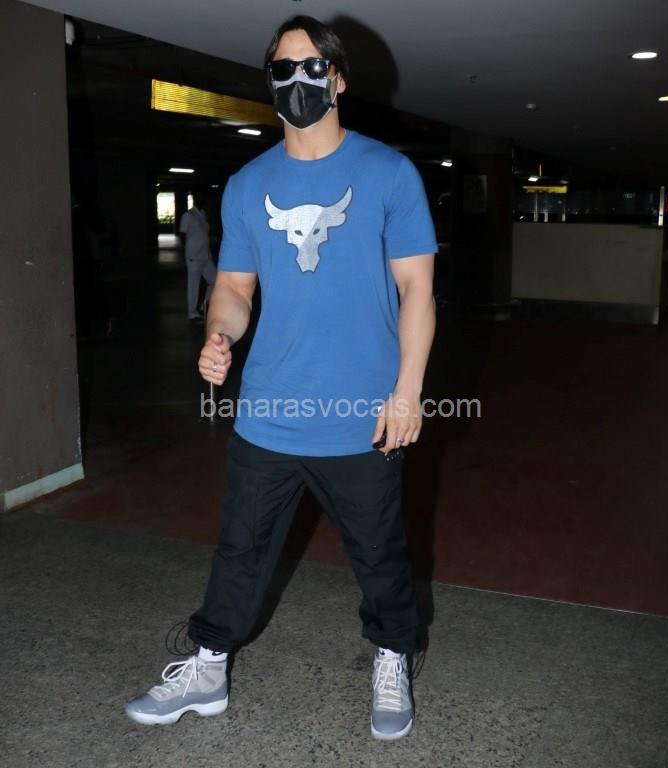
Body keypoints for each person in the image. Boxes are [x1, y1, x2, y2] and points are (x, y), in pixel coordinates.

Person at [125, 15, 437, 741]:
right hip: (269, 411)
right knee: (240, 548)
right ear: (270, 82)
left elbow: (418, 290)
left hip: (363, 416)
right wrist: (219, 335)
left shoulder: (388, 173)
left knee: (381, 556)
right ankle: (208, 667)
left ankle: (392, 657)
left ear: (338, 79)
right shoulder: (247, 185)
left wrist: (407, 392)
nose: (298, 80)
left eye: (312, 67)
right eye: (283, 69)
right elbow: (235, 288)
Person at [179, 191, 216, 320]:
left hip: (206, 256)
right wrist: (190, 251)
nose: (202, 199)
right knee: (193, 286)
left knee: (215, 281)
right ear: (195, 199)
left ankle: (204, 306)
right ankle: (192, 313)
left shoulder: (203, 215)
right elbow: (182, 235)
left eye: (203, 197)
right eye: (200, 197)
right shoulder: (188, 215)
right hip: (194, 257)